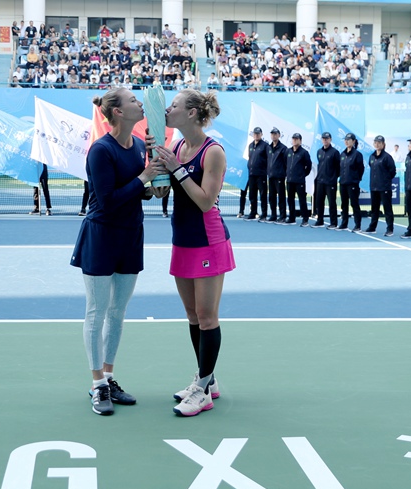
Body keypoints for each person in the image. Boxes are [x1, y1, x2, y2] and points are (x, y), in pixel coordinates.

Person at [70, 88, 166, 416]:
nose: (140, 103)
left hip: (131, 235)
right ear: (119, 112)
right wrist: (144, 177)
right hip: (101, 235)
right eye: (133, 101)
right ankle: (97, 383)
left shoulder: (139, 146)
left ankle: (109, 377)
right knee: (96, 312)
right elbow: (108, 200)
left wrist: (153, 186)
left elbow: (139, 192)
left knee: (117, 313)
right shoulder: (100, 150)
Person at [153, 89, 235, 417]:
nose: (167, 109)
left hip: (207, 240)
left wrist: (178, 169)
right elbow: (161, 191)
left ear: (190, 113)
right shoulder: (175, 147)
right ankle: (207, 379)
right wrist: (155, 165)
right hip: (182, 239)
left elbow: (204, 201)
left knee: (207, 316)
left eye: (173, 105)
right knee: (192, 315)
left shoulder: (212, 152)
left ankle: (202, 391)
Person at [364, 135, 397, 236]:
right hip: (374, 187)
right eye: (376, 142)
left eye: (379, 142)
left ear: (383, 144)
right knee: (374, 209)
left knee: (387, 209)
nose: (377, 144)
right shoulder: (372, 156)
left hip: (384, 187)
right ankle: (372, 227)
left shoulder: (387, 157)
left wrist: (385, 180)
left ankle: (390, 229)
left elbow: (392, 172)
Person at [312, 132, 340, 229]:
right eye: (323, 138)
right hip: (320, 181)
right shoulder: (319, 151)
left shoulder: (335, 152)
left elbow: (338, 168)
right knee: (319, 202)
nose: (325, 140)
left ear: (330, 139)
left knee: (332, 203)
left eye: (327, 138)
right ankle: (320, 221)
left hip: (330, 182)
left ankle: (333, 223)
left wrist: (333, 177)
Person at [338, 133, 365, 232]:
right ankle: (344, 223)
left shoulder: (357, 154)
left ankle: (358, 225)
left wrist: (356, 179)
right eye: (345, 140)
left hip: (352, 183)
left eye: (348, 140)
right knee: (344, 204)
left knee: (354, 204)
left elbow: (361, 169)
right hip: (343, 183)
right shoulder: (342, 154)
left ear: (353, 141)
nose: (346, 141)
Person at [284, 132, 311, 226]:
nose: (295, 140)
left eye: (297, 139)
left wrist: (302, 175)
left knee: (302, 200)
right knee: (290, 200)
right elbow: (285, 164)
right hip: (290, 180)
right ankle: (292, 218)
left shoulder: (304, 153)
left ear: (300, 141)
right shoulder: (288, 151)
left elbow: (308, 166)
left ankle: (305, 219)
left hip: (299, 181)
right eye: (293, 139)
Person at [242, 127, 268, 220]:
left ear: (261, 134)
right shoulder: (251, 145)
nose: (256, 135)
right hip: (252, 174)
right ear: (253, 135)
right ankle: (253, 212)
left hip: (261, 174)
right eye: (255, 133)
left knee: (263, 195)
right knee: (252, 195)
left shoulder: (265, 146)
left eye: (258, 133)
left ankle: (264, 214)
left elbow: (268, 159)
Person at [265, 127, 287, 223]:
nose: (273, 136)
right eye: (272, 134)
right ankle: (273, 215)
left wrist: (283, 173)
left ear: (279, 135)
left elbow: (286, 162)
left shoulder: (283, 148)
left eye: (275, 134)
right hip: (271, 176)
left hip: (279, 177)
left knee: (281, 197)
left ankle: (282, 216)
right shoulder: (268, 147)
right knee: (271, 197)